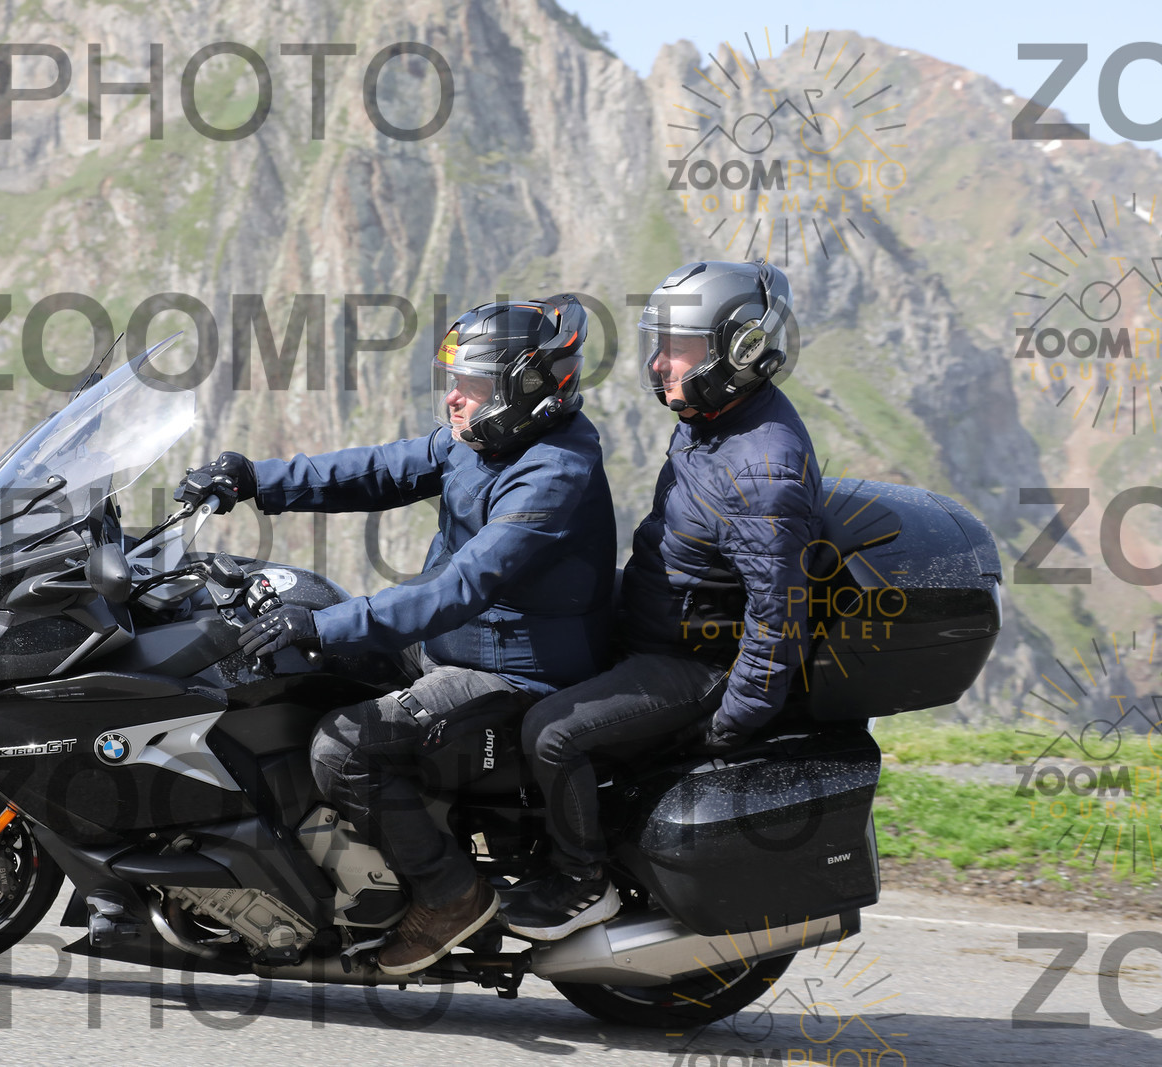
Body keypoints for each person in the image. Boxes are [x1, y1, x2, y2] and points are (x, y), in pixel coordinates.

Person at [174, 295, 616, 974]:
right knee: (301, 668)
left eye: (472, 385)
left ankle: (449, 893)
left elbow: (460, 586)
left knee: (344, 748)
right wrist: (256, 479)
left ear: (525, 387)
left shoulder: (553, 473)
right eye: (454, 382)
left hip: (514, 672)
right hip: (457, 638)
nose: (454, 399)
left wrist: (325, 624)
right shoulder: (485, 439)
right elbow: (379, 469)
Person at [500, 260, 823, 941]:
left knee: (552, 733)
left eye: (676, 347)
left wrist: (727, 725)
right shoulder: (712, 419)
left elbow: (777, 619)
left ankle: (581, 883)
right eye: (659, 343)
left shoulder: (763, 469)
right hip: (653, 622)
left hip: (694, 664)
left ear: (740, 349)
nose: (657, 363)